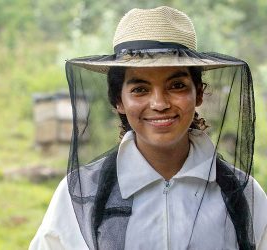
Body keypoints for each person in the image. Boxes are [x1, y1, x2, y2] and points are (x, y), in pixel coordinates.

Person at [30, 6, 267, 250]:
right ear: (118, 101)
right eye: (140, 89)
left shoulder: (242, 193)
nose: (160, 104)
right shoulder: (81, 193)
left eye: (176, 85)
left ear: (199, 94)